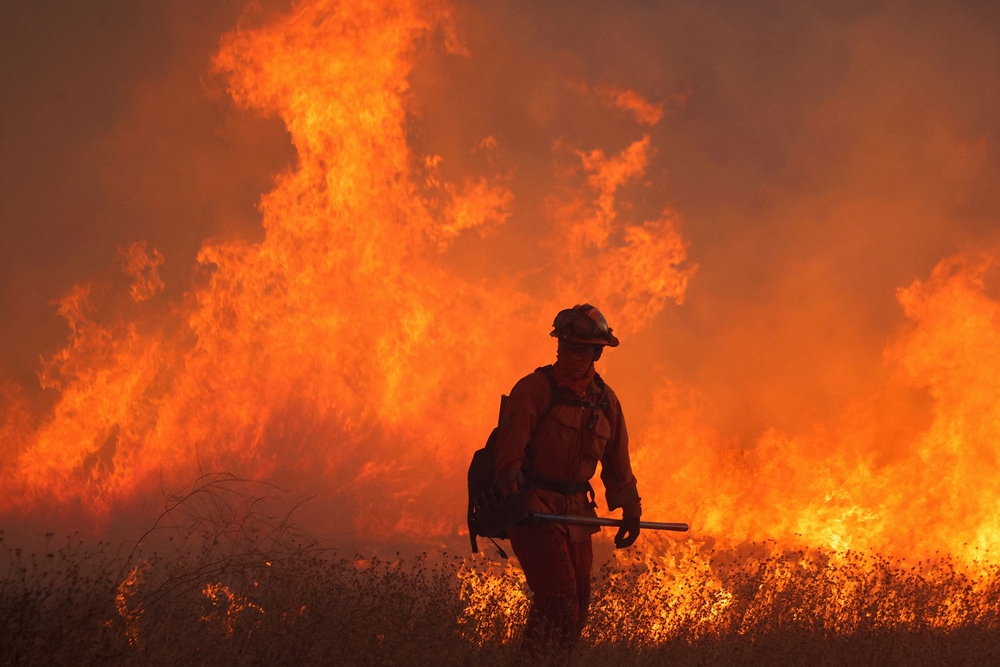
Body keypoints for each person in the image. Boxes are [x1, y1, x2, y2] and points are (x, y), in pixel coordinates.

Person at [494, 304, 642, 651]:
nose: (573, 353)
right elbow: (508, 453)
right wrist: (512, 491)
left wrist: (631, 509)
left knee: (578, 605)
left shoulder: (605, 402)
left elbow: (618, 463)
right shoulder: (534, 389)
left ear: (597, 353)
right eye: (568, 345)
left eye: (582, 348)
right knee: (558, 600)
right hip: (534, 509)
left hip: (577, 513)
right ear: (559, 345)